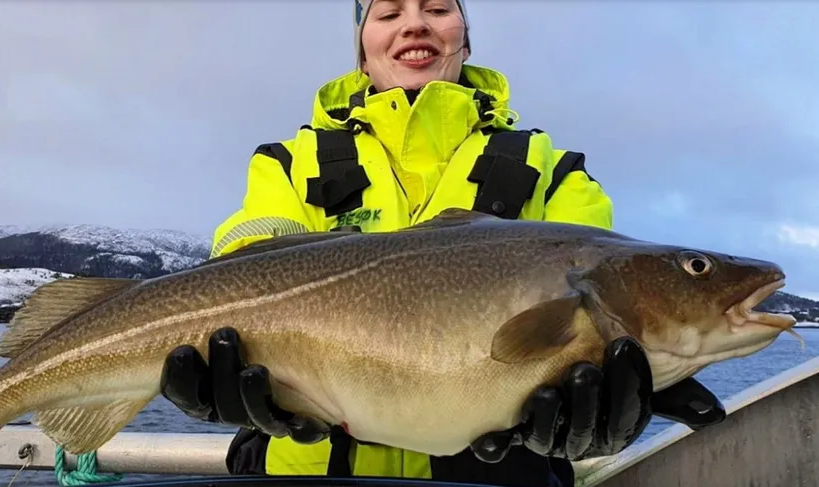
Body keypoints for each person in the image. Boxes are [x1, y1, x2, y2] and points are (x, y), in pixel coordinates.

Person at [159, 0, 727, 485]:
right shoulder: (289, 163)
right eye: (387, 12)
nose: (415, 24)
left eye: (437, 8)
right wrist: (214, 367)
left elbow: (598, 323)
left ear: (465, 38)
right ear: (362, 48)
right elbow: (243, 261)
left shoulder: (552, 171)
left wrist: (602, 416)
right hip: (301, 470)